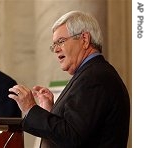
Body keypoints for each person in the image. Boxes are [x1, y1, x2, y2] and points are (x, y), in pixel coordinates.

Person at [8, 11, 130, 148]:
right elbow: (75, 129)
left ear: (84, 39)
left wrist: (31, 108)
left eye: (61, 41)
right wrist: (51, 111)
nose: (56, 49)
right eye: (54, 45)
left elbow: (72, 137)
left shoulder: (94, 78)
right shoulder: (91, 74)